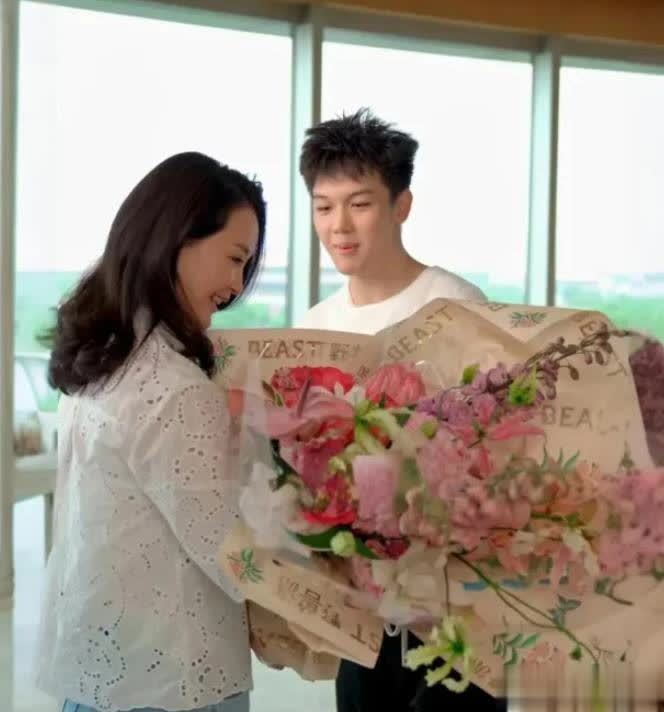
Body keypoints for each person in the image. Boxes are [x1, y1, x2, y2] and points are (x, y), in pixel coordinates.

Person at [34, 152, 266, 712]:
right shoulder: (174, 386)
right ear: (178, 238)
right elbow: (233, 557)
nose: (237, 286)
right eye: (235, 259)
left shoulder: (103, 357)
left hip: (98, 671)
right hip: (175, 684)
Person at [298, 110, 506, 712]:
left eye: (359, 204)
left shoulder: (454, 305)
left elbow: (498, 452)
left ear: (402, 206)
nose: (339, 225)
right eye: (323, 206)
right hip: (362, 607)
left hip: (456, 608)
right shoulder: (315, 325)